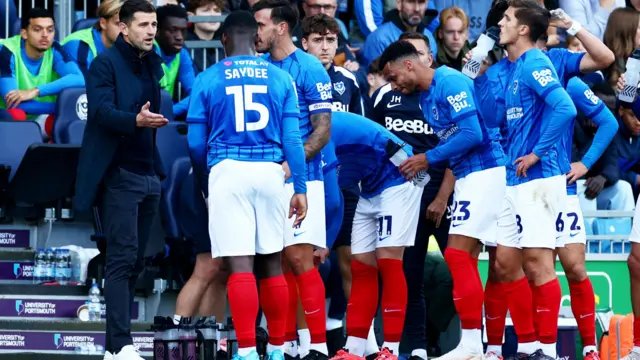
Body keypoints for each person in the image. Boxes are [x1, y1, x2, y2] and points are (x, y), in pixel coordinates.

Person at [186, 10, 308, 360]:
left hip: (228, 170)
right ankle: (278, 348)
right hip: (270, 172)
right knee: (272, 265)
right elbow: (293, 140)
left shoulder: (208, 78)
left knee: (239, 267)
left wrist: (207, 183)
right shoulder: (280, 78)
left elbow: (195, 143)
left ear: (223, 39)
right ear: (257, 38)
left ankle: (248, 352)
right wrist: (299, 186)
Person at [379, 36, 507, 359]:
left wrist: (428, 158)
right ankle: (486, 348)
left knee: (462, 257)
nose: (393, 86)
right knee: (489, 264)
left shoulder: (450, 80)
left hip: (486, 171)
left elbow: (473, 134)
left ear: (409, 65)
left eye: (393, 77)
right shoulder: (424, 99)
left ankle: (474, 345)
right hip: (468, 175)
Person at [75, 0, 169, 359]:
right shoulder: (104, 63)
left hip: (148, 173)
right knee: (121, 258)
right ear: (123, 27)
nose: (151, 31)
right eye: (143, 24)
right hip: (118, 174)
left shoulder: (152, 64)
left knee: (137, 262)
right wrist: (136, 121)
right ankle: (122, 343)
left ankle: (116, 349)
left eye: (154, 24)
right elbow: (100, 113)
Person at [489, 1, 576, 359]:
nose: (500, 23)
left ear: (523, 29)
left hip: (538, 178)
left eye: (507, 19)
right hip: (515, 179)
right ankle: (527, 346)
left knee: (539, 264)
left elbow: (565, 107)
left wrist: (538, 152)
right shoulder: (514, 68)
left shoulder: (536, 62)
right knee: (505, 263)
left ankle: (548, 349)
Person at [254, 1, 333, 359]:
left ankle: (317, 345)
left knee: (302, 259)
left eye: (260, 24)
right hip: (267, 177)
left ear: (281, 27)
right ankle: (284, 343)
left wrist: (290, 165)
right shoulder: (258, 68)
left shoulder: (310, 67)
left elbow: (322, 131)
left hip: (303, 176)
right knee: (277, 261)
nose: (255, 32)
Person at [371, 31, 454, 360]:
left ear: (428, 59)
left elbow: (461, 148)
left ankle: (481, 345)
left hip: (442, 195)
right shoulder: (382, 97)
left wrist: (443, 196)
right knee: (410, 276)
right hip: (401, 198)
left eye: (420, 52)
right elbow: (372, 143)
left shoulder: (443, 93)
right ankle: (417, 349)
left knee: (461, 273)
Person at [328, 110, 424, 360]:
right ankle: (355, 350)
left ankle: (390, 350)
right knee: (360, 264)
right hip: (369, 186)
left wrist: (324, 242)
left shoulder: (320, 129)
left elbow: (331, 199)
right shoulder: (306, 131)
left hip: (400, 177)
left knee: (388, 259)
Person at [0, 8, 85, 121]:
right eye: (37, 29)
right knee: (17, 114)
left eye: (50, 30)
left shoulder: (54, 49)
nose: (45, 35)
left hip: (42, 116)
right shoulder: (6, 50)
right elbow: (13, 103)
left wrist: (36, 91)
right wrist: (62, 108)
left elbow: (79, 79)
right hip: (7, 119)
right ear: (24, 33)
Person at [300, 14, 363, 115]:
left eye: (330, 40)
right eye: (318, 40)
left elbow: (359, 124)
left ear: (337, 43)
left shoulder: (348, 79)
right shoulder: (292, 78)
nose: (325, 47)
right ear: (305, 43)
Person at [361, 0, 438, 66]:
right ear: (399, 3)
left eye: (421, 2)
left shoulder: (429, 37)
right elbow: (376, 78)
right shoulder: (379, 38)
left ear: (427, 3)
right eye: (410, 1)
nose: (417, 9)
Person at [154, 4, 196, 115]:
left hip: (163, 118)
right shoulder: (145, 52)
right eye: (173, 30)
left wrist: (171, 111)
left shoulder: (182, 54)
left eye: (183, 31)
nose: (179, 37)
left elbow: (197, 93)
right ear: (156, 31)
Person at [62, 0, 124, 76]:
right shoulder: (78, 44)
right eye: (118, 24)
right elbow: (84, 84)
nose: (125, 30)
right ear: (103, 23)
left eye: (129, 24)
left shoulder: (131, 44)